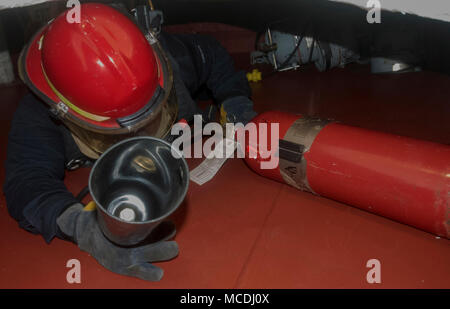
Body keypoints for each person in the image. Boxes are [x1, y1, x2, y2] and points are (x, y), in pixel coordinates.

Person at [3, 3, 256, 282]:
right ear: (68, 113)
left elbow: (211, 53)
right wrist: (81, 226)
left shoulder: (168, 55)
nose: (140, 135)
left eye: (149, 115)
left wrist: (234, 99)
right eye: (120, 132)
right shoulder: (40, 112)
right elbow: (26, 181)